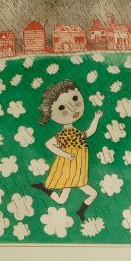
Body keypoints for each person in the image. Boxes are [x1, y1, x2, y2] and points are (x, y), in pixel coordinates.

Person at [37, 79, 98, 223]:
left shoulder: (76, 133)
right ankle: (79, 211)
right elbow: (49, 144)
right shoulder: (63, 135)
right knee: (66, 199)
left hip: (78, 171)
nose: (72, 108)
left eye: (75, 98)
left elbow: (89, 131)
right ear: (51, 115)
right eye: (62, 107)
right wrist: (65, 154)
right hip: (70, 171)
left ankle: (79, 211)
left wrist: (96, 118)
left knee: (65, 199)